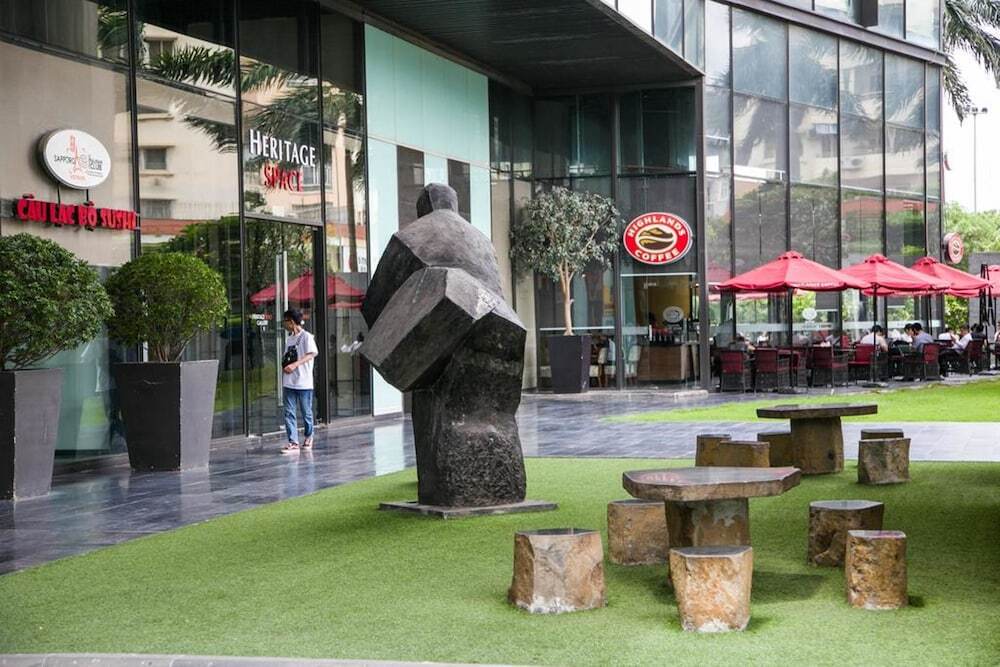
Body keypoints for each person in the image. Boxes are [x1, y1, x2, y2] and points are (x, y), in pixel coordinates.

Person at [279, 308, 320, 454]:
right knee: (289, 412)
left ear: (291, 321)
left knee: (306, 411)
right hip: (288, 381)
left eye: (285, 321)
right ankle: (293, 442)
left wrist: (295, 365)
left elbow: (312, 354)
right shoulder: (289, 338)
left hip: (303, 381)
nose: (284, 324)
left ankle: (309, 436)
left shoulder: (307, 337)